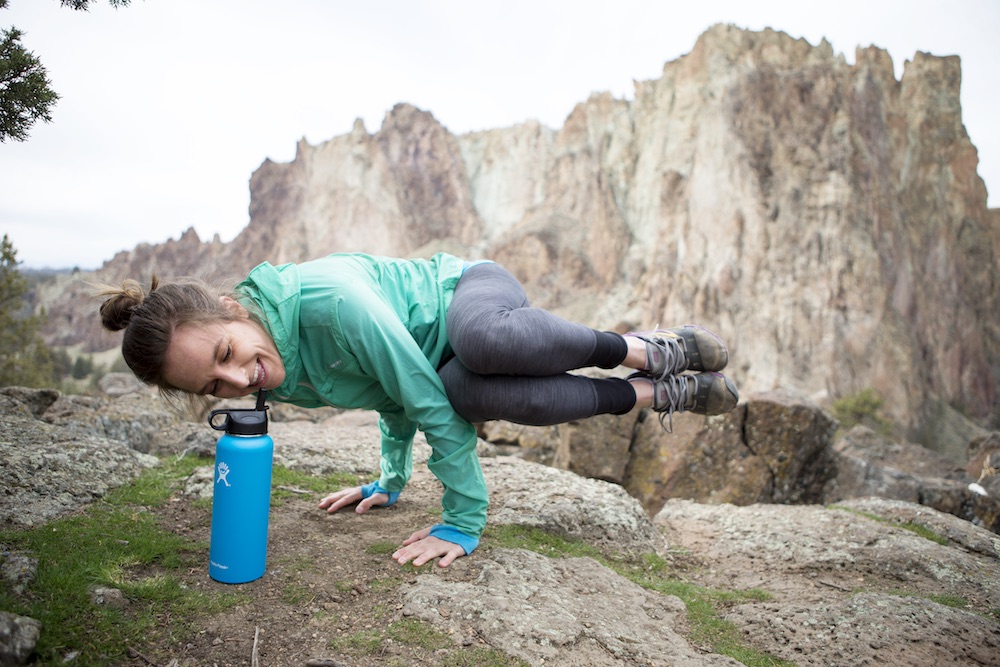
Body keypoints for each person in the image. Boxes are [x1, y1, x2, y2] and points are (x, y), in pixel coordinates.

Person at [98, 252, 738, 568]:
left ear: (233, 310)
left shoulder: (330, 304)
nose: (239, 379)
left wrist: (463, 519)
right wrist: (390, 481)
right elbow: (391, 395)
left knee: (482, 344)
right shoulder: (271, 368)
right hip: (440, 366)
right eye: (216, 387)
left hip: (471, 293)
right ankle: (662, 393)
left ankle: (643, 351)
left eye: (228, 353)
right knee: (472, 392)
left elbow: (415, 392)